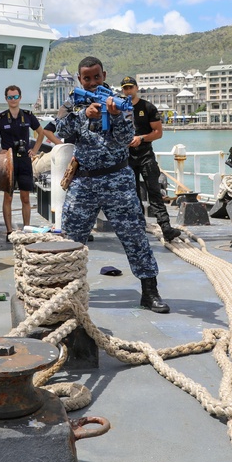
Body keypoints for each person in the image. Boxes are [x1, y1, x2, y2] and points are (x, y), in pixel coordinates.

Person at [56, 57, 170, 314]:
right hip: (83, 181)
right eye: (87, 78)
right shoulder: (72, 102)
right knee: (71, 237)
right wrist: (83, 114)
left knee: (135, 236)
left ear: (104, 74)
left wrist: (115, 115)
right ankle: (65, 291)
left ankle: (149, 291)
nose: (93, 82)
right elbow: (61, 129)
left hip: (116, 179)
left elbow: (126, 138)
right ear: (80, 79)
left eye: (97, 77)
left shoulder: (121, 102)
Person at [120, 75, 181, 242]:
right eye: (125, 88)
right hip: (127, 158)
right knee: (132, 195)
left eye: (131, 87)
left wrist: (141, 138)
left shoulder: (147, 107)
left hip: (145, 156)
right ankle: (138, 229)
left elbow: (158, 133)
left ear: (136, 88)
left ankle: (166, 228)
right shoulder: (119, 109)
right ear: (122, 90)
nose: (128, 91)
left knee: (154, 192)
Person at [0, 86, 46, 241]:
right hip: (8, 162)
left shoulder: (28, 116)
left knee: (25, 198)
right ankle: (9, 231)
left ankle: (27, 229)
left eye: (15, 97)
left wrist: (34, 150)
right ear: (6, 99)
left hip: (24, 160)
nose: (13, 100)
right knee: (8, 197)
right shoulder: (0, 118)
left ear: (20, 98)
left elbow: (41, 133)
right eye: (10, 97)